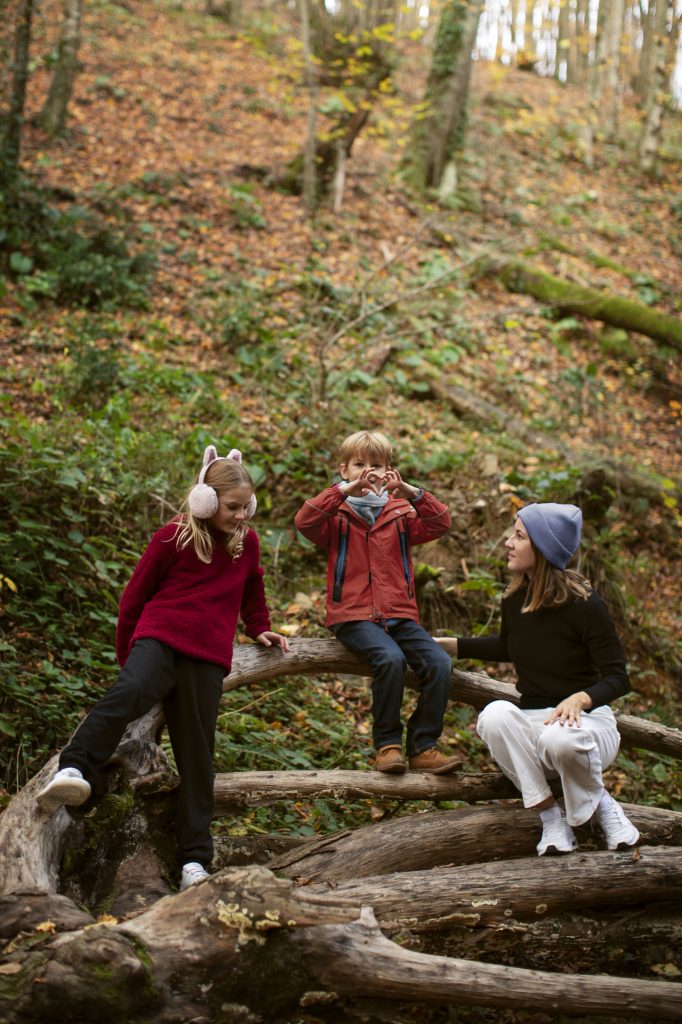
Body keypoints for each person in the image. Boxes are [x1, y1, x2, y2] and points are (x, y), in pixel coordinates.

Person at [37, 445, 289, 890]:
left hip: (207, 656)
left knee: (198, 755)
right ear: (204, 500)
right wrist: (128, 656)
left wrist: (260, 628)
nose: (240, 516)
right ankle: (73, 770)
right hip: (160, 637)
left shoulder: (245, 543)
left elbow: (253, 590)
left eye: (245, 507)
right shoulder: (172, 538)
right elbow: (134, 597)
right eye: (231, 507)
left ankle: (194, 859)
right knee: (129, 692)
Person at [435, 501, 640, 856]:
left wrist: (581, 698)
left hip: (588, 728)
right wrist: (447, 645)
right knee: (495, 715)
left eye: (519, 536)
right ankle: (550, 817)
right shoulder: (515, 599)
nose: (507, 543)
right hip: (535, 722)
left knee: (559, 738)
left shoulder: (587, 605)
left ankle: (604, 806)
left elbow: (618, 678)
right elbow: (509, 646)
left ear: (543, 549)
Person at [295, 430, 460, 775]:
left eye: (377, 465)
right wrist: (342, 492)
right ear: (344, 470)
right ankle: (387, 745)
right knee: (389, 658)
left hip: (399, 614)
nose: (368, 471)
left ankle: (424, 747)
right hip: (353, 615)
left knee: (439, 664)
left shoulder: (400, 513)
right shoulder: (335, 514)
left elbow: (440, 522)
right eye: (359, 464)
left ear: (389, 472)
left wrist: (411, 492)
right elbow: (304, 521)